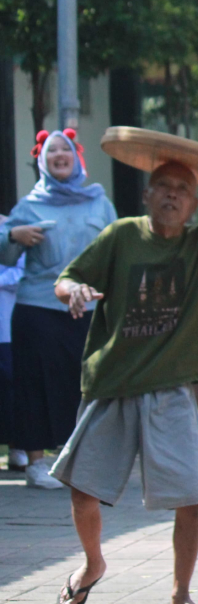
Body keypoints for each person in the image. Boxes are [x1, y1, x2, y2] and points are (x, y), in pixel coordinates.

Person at [49, 104, 198, 604]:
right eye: (163, 186)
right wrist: (73, 291)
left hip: (171, 388)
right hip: (113, 383)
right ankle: (92, 565)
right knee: (83, 494)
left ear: (194, 204)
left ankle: (180, 597)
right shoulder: (122, 235)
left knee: (189, 499)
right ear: (147, 195)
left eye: (182, 189)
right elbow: (65, 279)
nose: (171, 194)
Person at [0, 130, 117, 489]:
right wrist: (12, 236)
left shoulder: (99, 203)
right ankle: (36, 462)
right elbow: (5, 258)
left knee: (85, 385)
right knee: (33, 384)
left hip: (90, 308)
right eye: (52, 151)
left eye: (65, 149)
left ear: (77, 157)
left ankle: (83, 460)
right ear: (42, 160)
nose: (59, 155)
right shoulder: (28, 206)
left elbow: (118, 251)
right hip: (37, 308)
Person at [0, 228, 23, 472]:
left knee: (10, 387)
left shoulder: (14, 228)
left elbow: (25, 271)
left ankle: (17, 448)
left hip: (6, 327)